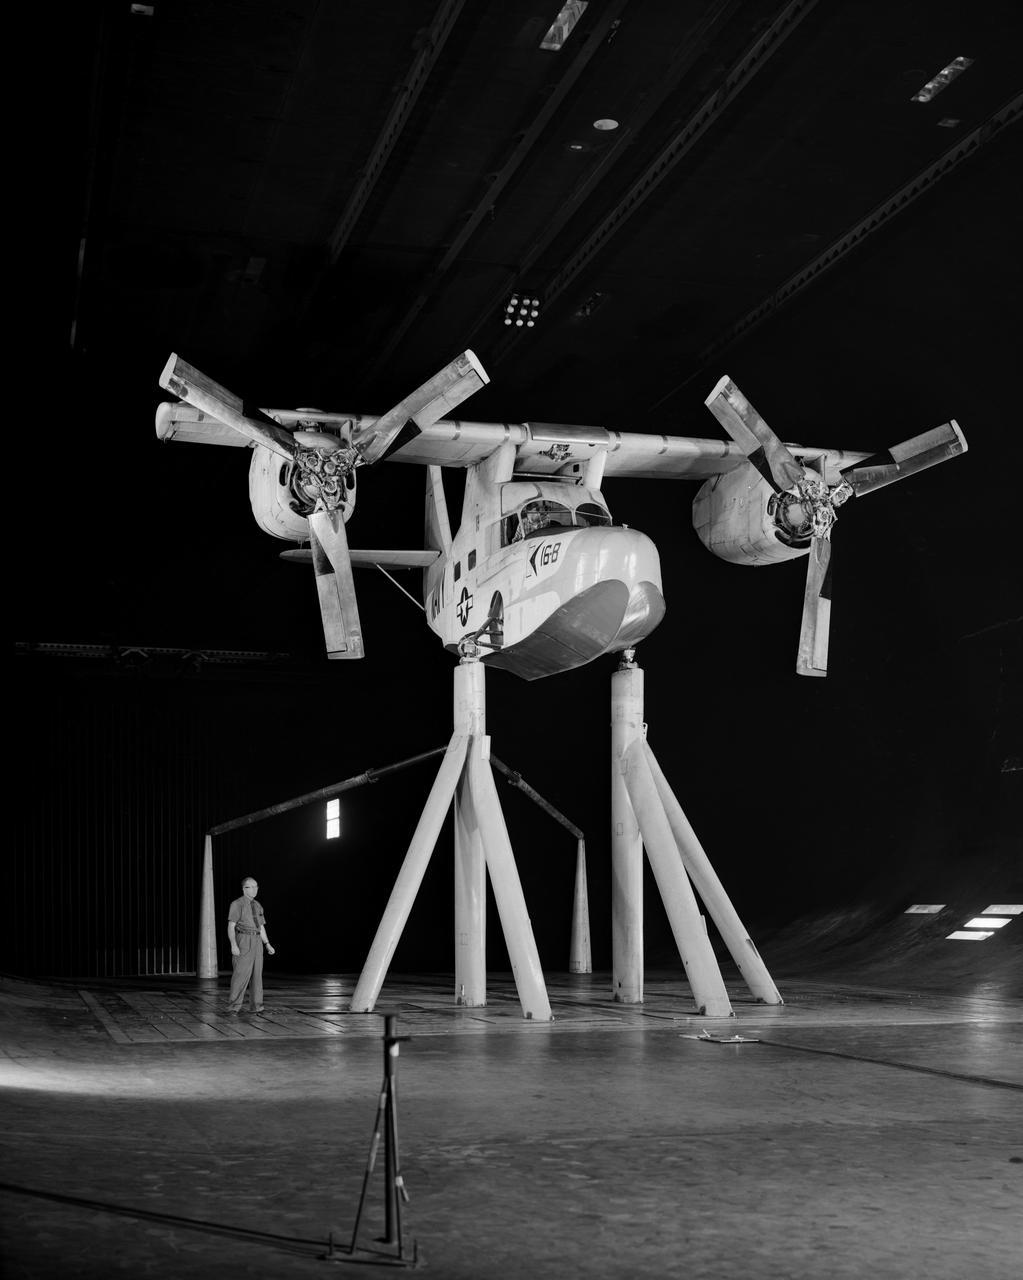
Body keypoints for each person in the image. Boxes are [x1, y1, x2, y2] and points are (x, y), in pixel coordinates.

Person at [226, 877, 275, 1014]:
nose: (254, 889)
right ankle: (233, 1007)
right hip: (243, 939)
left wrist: (267, 944)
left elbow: (261, 926)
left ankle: (257, 1007)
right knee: (240, 975)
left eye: (256, 887)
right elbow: (231, 926)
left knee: (257, 976)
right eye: (250, 887)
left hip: (257, 941)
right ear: (244, 889)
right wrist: (233, 945)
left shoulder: (258, 905)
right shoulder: (237, 904)